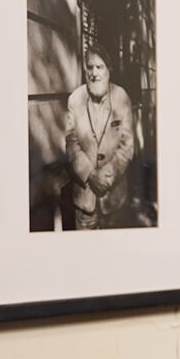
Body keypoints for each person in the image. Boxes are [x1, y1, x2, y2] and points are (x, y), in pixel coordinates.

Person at [62, 47, 137, 229]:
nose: (94, 73)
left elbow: (127, 146)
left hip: (114, 199)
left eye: (99, 67)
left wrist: (106, 177)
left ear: (108, 71)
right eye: (90, 67)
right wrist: (90, 175)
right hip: (84, 201)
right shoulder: (75, 99)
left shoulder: (122, 98)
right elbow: (71, 144)